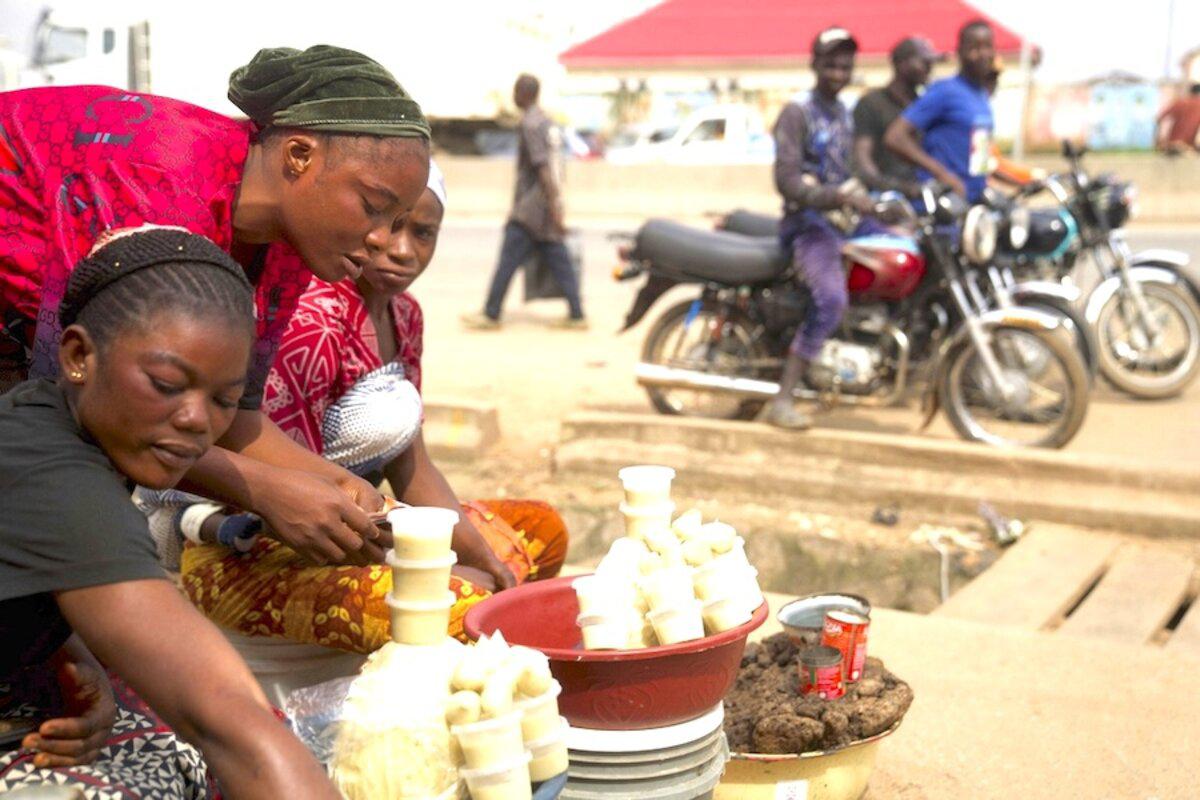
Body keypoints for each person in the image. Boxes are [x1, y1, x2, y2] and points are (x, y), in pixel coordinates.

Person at [137, 167, 569, 701]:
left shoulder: (405, 317)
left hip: (361, 529)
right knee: (463, 609)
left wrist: (477, 554)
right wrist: (432, 566)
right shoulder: (314, 318)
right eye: (391, 226)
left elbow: (413, 468)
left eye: (423, 233)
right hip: (252, 550)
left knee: (540, 530)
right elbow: (289, 501)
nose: (402, 250)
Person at [0, 45, 435, 571]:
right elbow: (103, 408)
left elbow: (238, 418)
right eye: (372, 207)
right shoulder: (160, 182)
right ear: (299, 156)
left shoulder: (290, 239)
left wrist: (335, 485)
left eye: (398, 219)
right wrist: (263, 490)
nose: (381, 240)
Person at [0, 227, 339, 798]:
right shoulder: (54, 476)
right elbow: (226, 718)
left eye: (224, 401)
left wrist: (64, 648)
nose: (195, 420)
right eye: (166, 384)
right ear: (79, 355)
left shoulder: (52, 424)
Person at [760, 27, 882, 431]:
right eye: (830, 63)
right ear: (814, 64)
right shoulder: (798, 113)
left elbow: (852, 170)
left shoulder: (843, 113)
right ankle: (783, 397)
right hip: (808, 224)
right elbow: (788, 182)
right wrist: (838, 197)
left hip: (842, 221)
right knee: (831, 300)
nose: (838, 72)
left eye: (845, 65)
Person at [462, 73, 586, 330]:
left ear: (524, 93)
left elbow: (542, 167)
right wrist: (556, 206)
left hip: (530, 209)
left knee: (508, 259)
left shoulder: (529, 125)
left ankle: (491, 313)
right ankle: (577, 313)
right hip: (545, 207)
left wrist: (553, 207)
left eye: (516, 92)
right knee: (559, 259)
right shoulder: (547, 122)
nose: (514, 97)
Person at [884, 19, 997, 202]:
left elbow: (979, 157)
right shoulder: (945, 91)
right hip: (944, 204)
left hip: (974, 203)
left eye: (988, 46)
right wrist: (943, 175)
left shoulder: (982, 97)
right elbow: (895, 137)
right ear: (960, 52)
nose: (983, 54)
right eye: (975, 48)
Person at [853, 37, 940, 195]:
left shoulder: (921, 106)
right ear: (901, 64)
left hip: (923, 194)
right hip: (886, 200)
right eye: (924, 62)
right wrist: (892, 190)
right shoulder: (871, 103)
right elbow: (863, 162)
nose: (929, 68)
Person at [1156, 84, 1200, 155]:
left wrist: (1160, 139)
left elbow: (1159, 118)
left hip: (1171, 144)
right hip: (1190, 148)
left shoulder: (1180, 102)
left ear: (1190, 92)